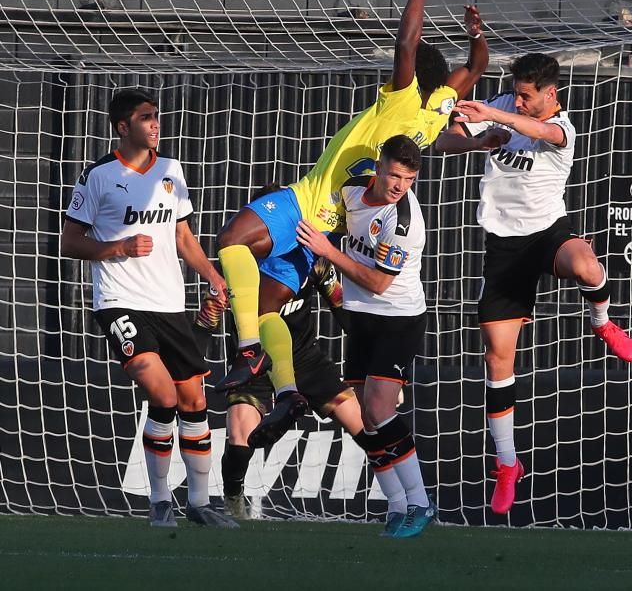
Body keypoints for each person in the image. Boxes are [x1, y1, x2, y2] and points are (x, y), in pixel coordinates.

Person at [213, 0, 490, 451]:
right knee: (267, 306)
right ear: (444, 85)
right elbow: (476, 67)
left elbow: (406, 43)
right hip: (330, 227)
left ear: (413, 78)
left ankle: (249, 352)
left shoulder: (404, 100)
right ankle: (288, 391)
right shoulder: (435, 114)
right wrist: (478, 35)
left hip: (306, 203)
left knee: (230, 241)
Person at [435, 52, 632, 516]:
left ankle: (602, 322)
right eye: (517, 94)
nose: (520, 101)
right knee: (497, 358)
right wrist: (479, 140)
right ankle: (507, 463)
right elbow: (447, 142)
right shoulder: (504, 102)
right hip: (503, 248)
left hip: (547, 232)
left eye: (528, 96)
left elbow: (544, 133)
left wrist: (496, 115)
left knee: (587, 266)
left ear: (551, 94)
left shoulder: (562, 126)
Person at [60, 88, 238, 529]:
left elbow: (182, 237)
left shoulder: (170, 170)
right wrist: (117, 246)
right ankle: (160, 501)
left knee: (194, 397)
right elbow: (69, 242)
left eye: (156, 116)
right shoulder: (97, 176)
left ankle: (199, 503)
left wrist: (212, 276)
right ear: (123, 127)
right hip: (120, 301)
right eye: (146, 117)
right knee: (161, 393)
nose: (156, 124)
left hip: (169, 303)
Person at [190, 185, 363, 519]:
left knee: (365, 424)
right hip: (255, 364)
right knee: (240, 435)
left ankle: (406, 499)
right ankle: (233, 498)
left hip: (304, 360)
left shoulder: (312, 264)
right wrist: (196, 348)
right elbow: (204, 327)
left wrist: (371, 357)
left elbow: (341, 308)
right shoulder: (237, 268)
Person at [297, 135, 435, 538]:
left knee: (377, 410)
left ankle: (421, 503)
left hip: (398, 317)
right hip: (360, 317)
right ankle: (395, 505)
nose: (399, 186)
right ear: (379, 166)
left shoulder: (403, 221)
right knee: (364, 417)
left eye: (408, 179)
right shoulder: (352, 187)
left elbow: (377, 282)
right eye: (394, 175)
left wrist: (328, 250)